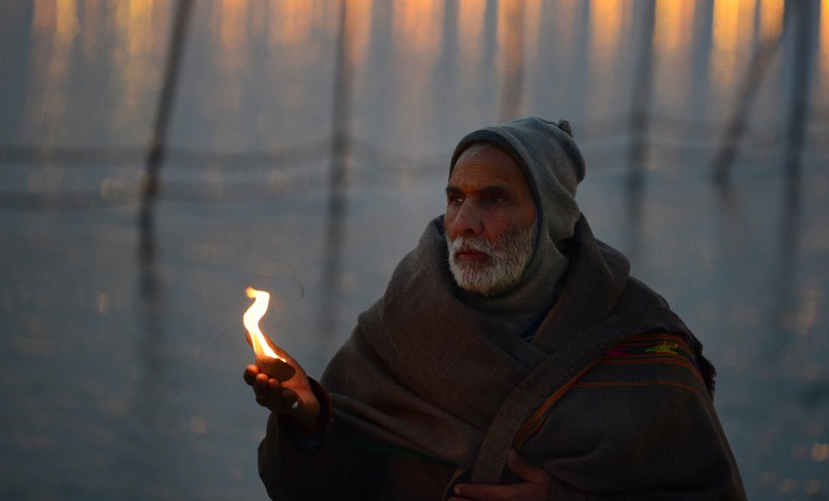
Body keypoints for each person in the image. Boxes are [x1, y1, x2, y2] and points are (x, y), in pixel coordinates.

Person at [244, 117, 746, 499]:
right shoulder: (401, 327)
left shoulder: (641, 348)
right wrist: (309, 420)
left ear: (551, 219)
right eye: (455, 198)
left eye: (494, 200)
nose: (464, 222)